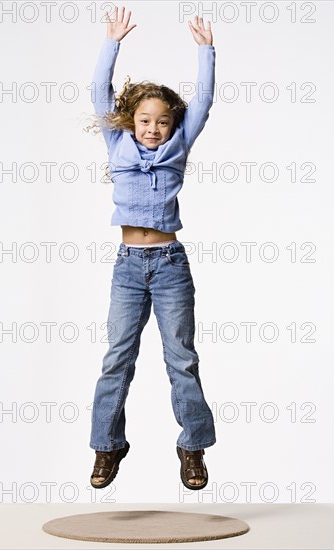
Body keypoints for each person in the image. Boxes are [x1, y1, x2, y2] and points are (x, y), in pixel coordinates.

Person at [88, 4, 216, 491]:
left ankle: (193, 447)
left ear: (172, 125)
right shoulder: (117, 143)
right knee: (117, 357)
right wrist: (111, 42)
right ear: (130, 120)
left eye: (162, 121)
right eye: (145, 119)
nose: (153, 128)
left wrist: (206, 50)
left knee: (180, 356)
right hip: (127, 266)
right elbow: (98, 91)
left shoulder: (179, 145)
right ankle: (108, 445)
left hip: (168, 264)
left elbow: (203, 102)